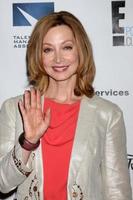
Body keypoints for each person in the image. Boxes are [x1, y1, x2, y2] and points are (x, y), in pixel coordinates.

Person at [0, 10, 132, 200]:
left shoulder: (108, 114)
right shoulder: (16, 109)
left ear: (81, 50)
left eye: (67, 47)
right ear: (38, 55)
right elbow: (2, 184)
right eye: (48, 50)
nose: (58, 59)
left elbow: (117, 192)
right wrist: (28, 142)